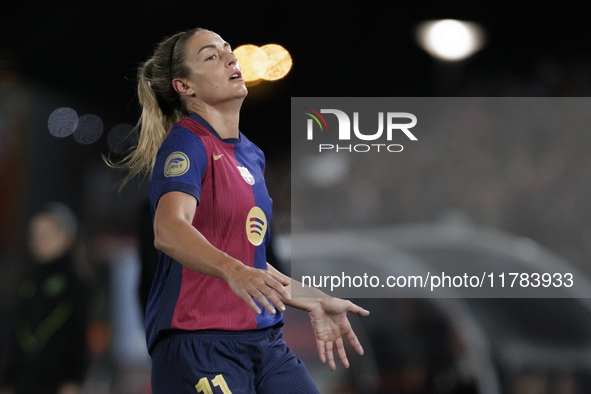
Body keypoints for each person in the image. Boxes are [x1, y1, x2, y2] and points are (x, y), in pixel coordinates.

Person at [116, 27, 369, 393]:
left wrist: (316, 300)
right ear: (184, 86)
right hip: (199, 345)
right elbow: (169, 229)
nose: (230, 58)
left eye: (228, 50)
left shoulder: (251, 155)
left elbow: (248, 260)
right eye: (211, 56)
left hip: (264, 343)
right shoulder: (186, 145)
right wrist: (234, 270)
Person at [0, 203, 90, 394]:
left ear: (67, 236)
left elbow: (79, 333)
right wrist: (8, 378)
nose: (39, 240)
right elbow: (16, 332)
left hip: (57, 381)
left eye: (47, 233)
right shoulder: (28, 281)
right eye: (34, 234)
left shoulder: (75, 281)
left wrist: (74, 379)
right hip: (23, 380)